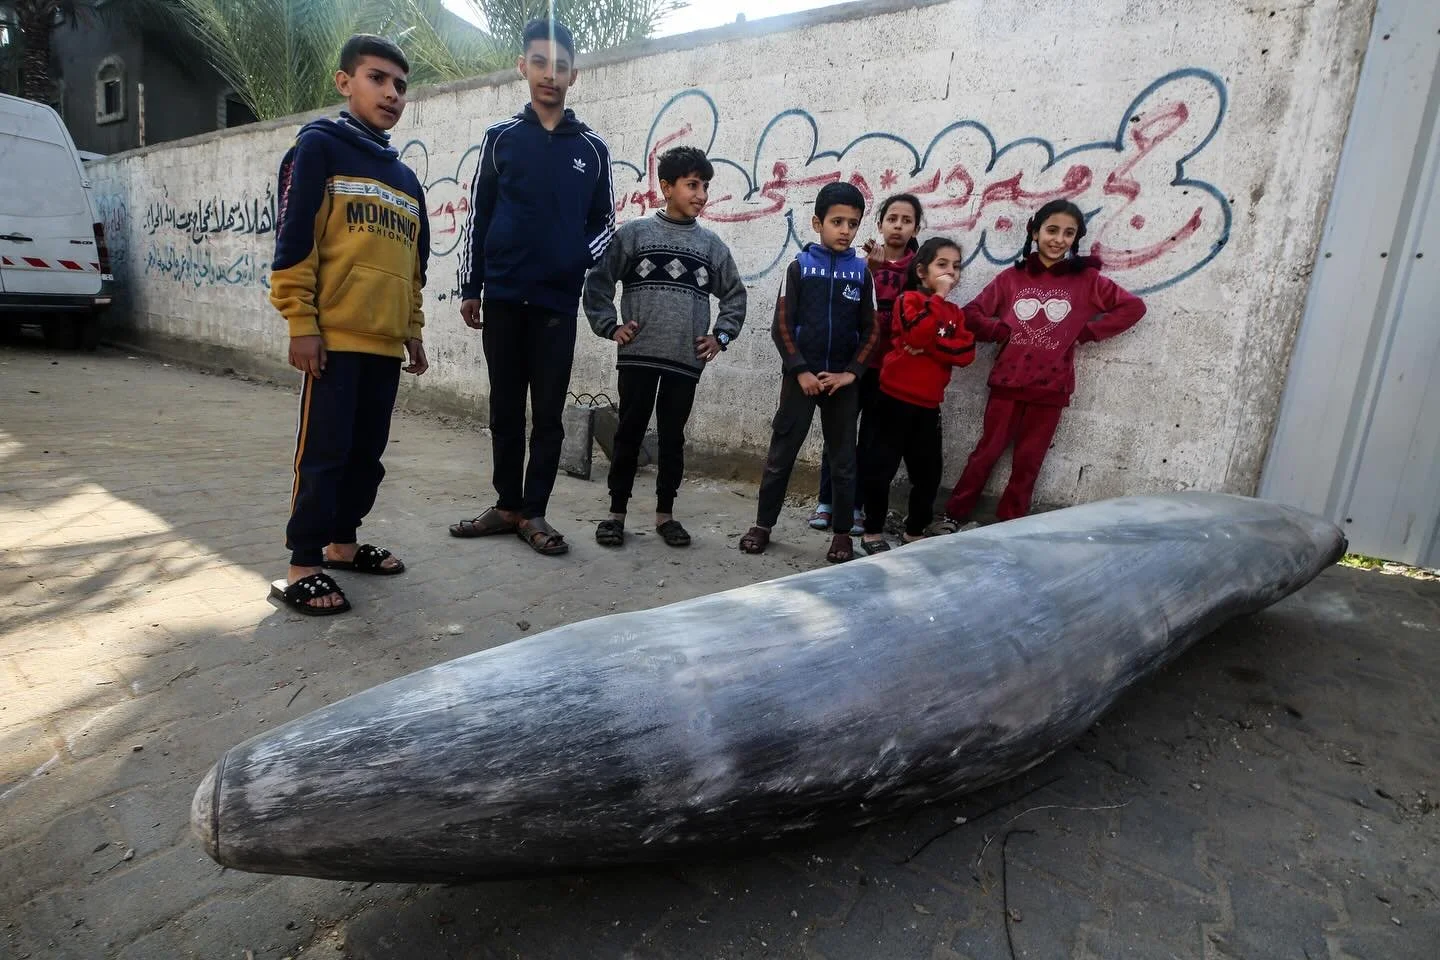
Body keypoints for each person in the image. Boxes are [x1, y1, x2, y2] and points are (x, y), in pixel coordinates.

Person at [266, 33, 430, 617]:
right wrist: (300, 323)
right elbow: (294, 244)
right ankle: (303, 561)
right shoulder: (317, 150)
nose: (391, 93)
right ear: (345, 82)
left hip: (384, 345)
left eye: (400, 85)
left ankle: (342, 543)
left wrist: (412, 330)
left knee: (367, 456)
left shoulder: (407, 181)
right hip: (332, 341)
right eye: (377, 78)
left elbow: (414, 268)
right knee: (325, 452)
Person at [449, 18, 615, 556]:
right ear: (523, 67)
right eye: (540, 63)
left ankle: (535, 510)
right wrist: (471, 286)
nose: (550, 75)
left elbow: (605, 225)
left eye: (561, 66)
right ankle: (505, 504)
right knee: (504, 409)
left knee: (547, 413)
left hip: (555, 303)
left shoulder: (592, 149)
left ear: (574, 76)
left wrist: (572, 261)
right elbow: (479, 214)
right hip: (501, 297)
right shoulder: (500, 140)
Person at [582, 146, 747, 548]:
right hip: (638, 356)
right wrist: (610, 327)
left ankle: (665, 516)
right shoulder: (634, 235)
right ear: (666, 186)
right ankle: (615, 514)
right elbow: (598, 281)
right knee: (629, 433)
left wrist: (720, 337)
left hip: (683, 362)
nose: (701, 195)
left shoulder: (712, 247)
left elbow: (735, 297)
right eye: (692, 185)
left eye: (705, 186)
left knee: (673, 438)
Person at [943, 199, 1146, 524]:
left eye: (1069, 233)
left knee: (1028, 461)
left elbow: (1133, 307)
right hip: (1007, 383)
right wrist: (998, 330)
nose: (1058, 239)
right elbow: (970, 314)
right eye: (1052, 230)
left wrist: (1086, 333)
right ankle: (953, 515)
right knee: (986, 453)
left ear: (1075, 239)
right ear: (1035, 232)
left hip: (1051, 387)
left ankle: (1010, 525)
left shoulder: (1088, 281)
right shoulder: (1011, 278)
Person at [740, 182, 879, 564]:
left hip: (842, 385)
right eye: (837, 221)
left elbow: (872, 331)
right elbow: (782, 325)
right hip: (799, 380)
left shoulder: (861, 274)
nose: (845, 230)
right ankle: (763, 525)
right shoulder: (800, 267)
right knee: (780, 455)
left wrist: (851, 374)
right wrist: (799, 370)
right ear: (818, 222)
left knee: (843, 462)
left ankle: (840, 534)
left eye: (853, 223)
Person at [809, 193, 923, 534]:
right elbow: (848, 307)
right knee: (838, 436)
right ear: (880, 224)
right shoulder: (859, 262)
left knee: (871, 442)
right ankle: (826, 500)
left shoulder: (918, 269)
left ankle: (855, 505)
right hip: (851, 366)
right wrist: (870, 271)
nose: (899, 227)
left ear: (916, 227)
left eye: (907, 221)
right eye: (892, 219)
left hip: (890, 372)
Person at [859, 238, 975, 554]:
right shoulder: (907, 301)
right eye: (942, 265)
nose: (950, 272)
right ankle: (871, 532)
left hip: (927, 405)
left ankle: (914, 530)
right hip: (893, 400)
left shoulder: (955, 313)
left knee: (928, 474)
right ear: (922, 271)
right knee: (880, 469)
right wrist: (937, 300)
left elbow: (965, 352)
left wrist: (929, 347)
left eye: (955, 266)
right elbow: (914, 334)